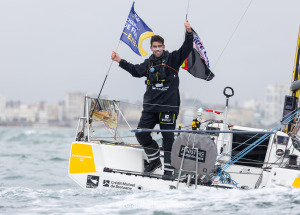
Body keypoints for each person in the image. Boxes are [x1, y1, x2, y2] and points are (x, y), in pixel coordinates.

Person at [111, 20, 193, 177]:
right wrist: (120, 61)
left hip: (168, 107)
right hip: (150, 107)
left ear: (163, 46)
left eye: (159, 47)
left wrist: (189, 32)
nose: (157, 49)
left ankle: (170, 170)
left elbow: (187, 48)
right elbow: (135, 71)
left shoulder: (173, 59)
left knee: (168, 137)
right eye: (154, 47)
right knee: (141, 133)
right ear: (151, 48)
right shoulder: (148, 63)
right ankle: (155, 160)